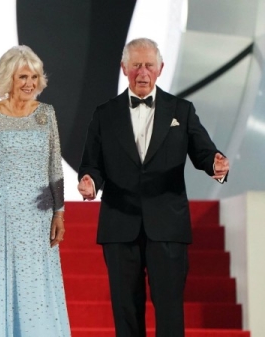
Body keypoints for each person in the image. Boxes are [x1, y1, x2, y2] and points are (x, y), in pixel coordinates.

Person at [77, 37, 230, 336]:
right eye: (136, 65)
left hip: (168, 225)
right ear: (124, 68)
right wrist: (91, 182)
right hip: (120, 225)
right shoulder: (104, 113)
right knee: (125, 310)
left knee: (170, 309)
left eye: (148, 65)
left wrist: (215, 164)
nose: (142, 72)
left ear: (161, 68)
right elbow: (92, 164)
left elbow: (204, 152)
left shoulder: (182, 110)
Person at [0, 45, 71, 336]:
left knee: (34, 286)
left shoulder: (47, 114)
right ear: (8, 79)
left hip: (37, 216)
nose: (30, 83)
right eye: (23, 77)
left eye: (34, 76)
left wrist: (60, 213)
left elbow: (54, 166)